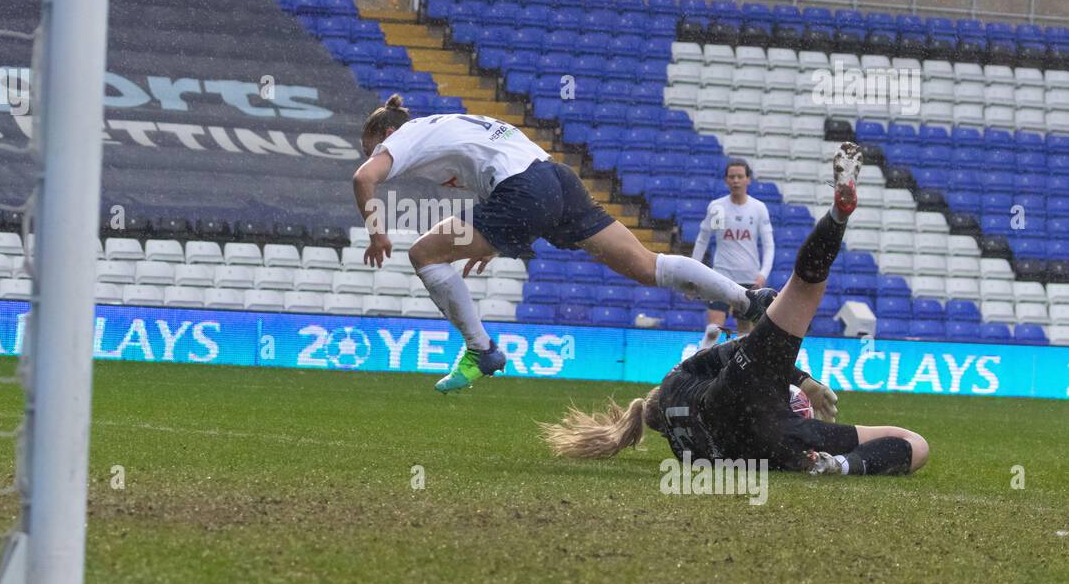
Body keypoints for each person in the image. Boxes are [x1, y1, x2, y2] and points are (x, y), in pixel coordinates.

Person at [540, 142, 929, 477]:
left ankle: (839, 217)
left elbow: (732, 353)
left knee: (804, 289)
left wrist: (798, 381)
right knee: (915, 443)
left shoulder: (682, 423)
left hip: (755, 421)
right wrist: (799, 380)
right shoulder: (679, 397)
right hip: (754, 416)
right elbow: (728, 352)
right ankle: (843, 467)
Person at [352, 95, 776, 393]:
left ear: (385, 131)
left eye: (370, 147)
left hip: (524, 191)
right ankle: (747, 300)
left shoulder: (404, 136)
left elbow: (363, 179)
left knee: (423, 253)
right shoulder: (449, 125)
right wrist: (495, 243)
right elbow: (498, 169)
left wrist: (377, 231)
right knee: (648, 266)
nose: (372, 156)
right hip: (557, 180)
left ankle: (480, 350)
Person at [691, 159, 774, 351]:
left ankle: (738, 374)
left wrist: (763, 273)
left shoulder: (758, 208)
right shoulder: (719, 208)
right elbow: (703, 239)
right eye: (732, 177)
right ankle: (699, 367)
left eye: (740, 176)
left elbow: (769, 245)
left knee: (745, 333)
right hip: (721, 275)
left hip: (748, 278)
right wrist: (693, 271)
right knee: (714, 329)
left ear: (748, 180)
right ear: (726, 180)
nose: (736, 180)